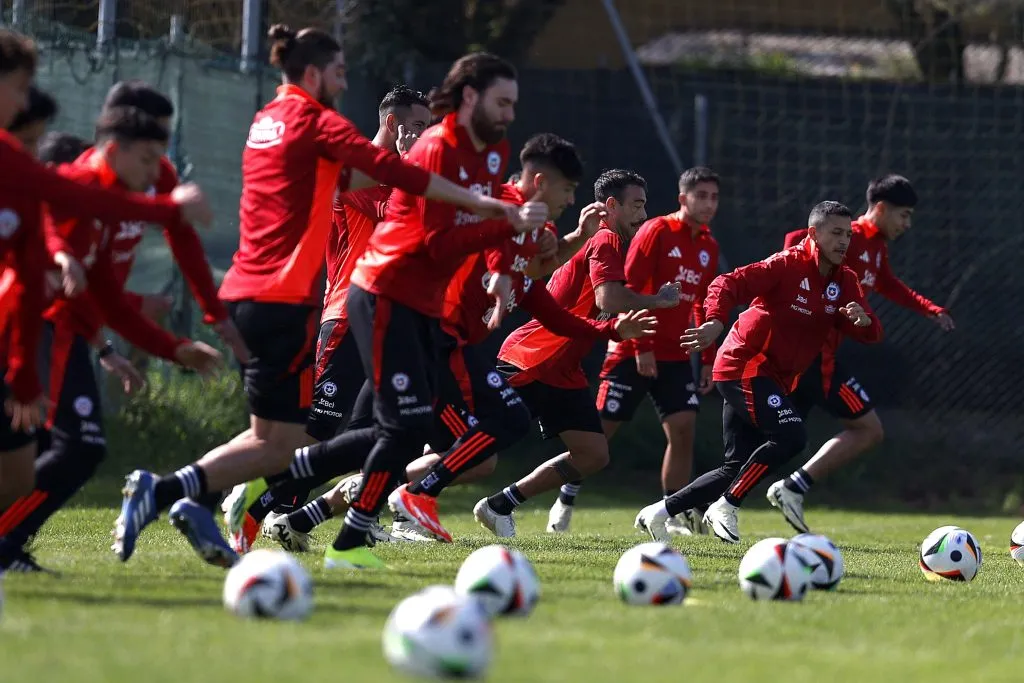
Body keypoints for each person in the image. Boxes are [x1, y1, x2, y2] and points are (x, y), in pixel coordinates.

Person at [113, 39, 542, 568]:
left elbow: (370, 184)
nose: (345, 82)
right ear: (313, 74)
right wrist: (483, 205)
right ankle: (290, 514)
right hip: (329, 303)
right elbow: (402, 187)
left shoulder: (269, 120)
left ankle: (221, 503)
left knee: (300, 439)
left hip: (275, 295)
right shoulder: (324, 127)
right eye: (339, 72)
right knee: (322, 436)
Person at [259, 135, 656, 549]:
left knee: (394, 443)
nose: (572, 199)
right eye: (568, 189)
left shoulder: (532, 227)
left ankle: (302, 510)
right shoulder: (501, 211)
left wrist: (567, 266)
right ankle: (386, 498)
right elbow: (492, 257)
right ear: (539, 182)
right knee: (463, 439)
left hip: (448, 341)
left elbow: (536, 285)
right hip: (434, 339)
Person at [0, 32, 213, 526]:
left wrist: (166, 348)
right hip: (46, 330)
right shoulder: (73, 182)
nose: (20, 100)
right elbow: (66, 207)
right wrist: (167, 209)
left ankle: (8, 544)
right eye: (17, 86)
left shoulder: (20, 163)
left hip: (35, 332)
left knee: (21, 471)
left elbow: (95, 293)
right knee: (69, 449)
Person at [225, 84, 433, 551]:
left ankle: (291, 514)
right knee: (318, 428)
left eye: (429, 127)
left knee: (371, 433)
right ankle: (246, 493)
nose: (424, 135)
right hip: (345, 315)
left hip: (388, 321)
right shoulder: (360, 174)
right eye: (417, 126)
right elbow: (402, 219)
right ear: (393, 125)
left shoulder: (400, 176)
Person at [634, 201, 883, 544]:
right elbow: (726, 283)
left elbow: (871, 333)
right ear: (813, 234)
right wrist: (714, 322)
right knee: (791, 435)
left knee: (735, 467)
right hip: (743, 364)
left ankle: (659, 511)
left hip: (773, 376)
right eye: (836, 233)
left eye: (848, 235)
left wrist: (864, 321)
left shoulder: (846, 281)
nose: (844, 242)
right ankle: (727, 506)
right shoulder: (786, 264)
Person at [473, 169, 682, 538]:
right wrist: (657, 301)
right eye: (637, 205)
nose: (643, 215)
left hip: (562, 368)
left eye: (645, 206)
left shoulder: (610, 244)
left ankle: (500, 504)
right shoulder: (605, 240)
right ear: (612, 206)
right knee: (476, 453)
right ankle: (401, 495)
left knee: (593, 454)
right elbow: (609, 300)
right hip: (532, 360)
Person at [766, 175, 953, 532]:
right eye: (904, 215)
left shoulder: (877, 247)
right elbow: (794, 241)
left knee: (778, 437)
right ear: (880, 208)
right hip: (813, 357)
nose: (907, 224)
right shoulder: (848, 236)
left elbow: (887, 283)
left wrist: (930, 308)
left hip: (820, 356)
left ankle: (724, 498)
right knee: (867, 429)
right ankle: (788, 488)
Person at [550, 166, 721, 535]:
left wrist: (706, 356)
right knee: (599, 434)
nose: (709, 204)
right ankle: (567, 493)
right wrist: (641, 345)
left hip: (675, 355)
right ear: (682, 199)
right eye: (701, 196)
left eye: (714, 197)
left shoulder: (708, 245)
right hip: (631, 349)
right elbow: (628, 285)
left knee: (684, 428)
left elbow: (703, 303)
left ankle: (670, 512)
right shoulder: (655, 230)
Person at [81, 80, 249, 360]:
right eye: (154, 142)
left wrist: (215, 313)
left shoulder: (157, 175)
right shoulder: (84, 183)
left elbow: (183, 240)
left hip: (88, 317)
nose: (159, 160)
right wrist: (169, 209)